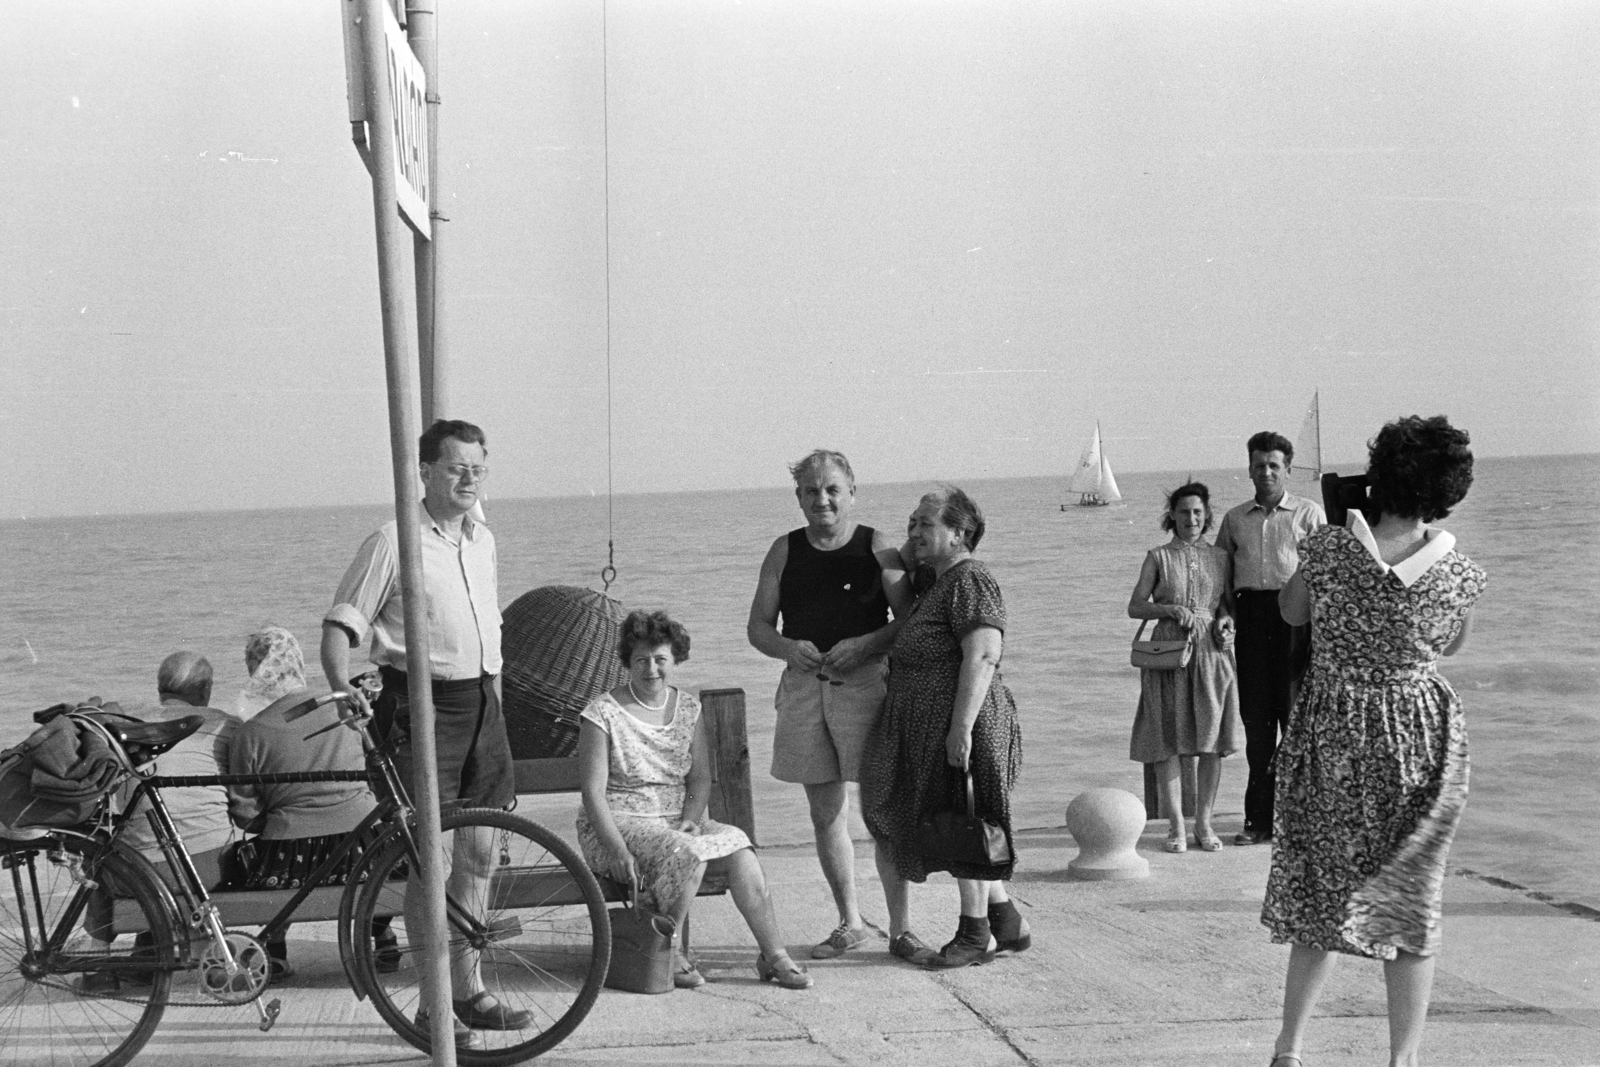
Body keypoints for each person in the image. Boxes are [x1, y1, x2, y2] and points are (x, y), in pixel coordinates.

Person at [1262, 415, 1485, 1067]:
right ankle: (1402, 1058)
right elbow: (1451, 643)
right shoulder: (1458, 570)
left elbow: (1291, 611)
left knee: (1321, 885)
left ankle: (1289, 1048)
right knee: (1414, 896)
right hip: (1419, 733)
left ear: (1378, 477)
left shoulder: (1330, 549)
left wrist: (1342, 535)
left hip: (1334, 727)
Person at [320, 418, 521, 1050]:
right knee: (427, 864)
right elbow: (338, 630)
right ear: (425, 471)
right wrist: (340, 685)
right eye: (456, 466)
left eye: (478, 468)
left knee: (481, 854)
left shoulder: (483, 539)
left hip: (485, 702)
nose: (468, 478)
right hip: (421, 708)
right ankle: (436, 1008)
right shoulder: (392, 540)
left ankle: (471, 991)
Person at [578, 610, 812, 990]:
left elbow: (700, 777)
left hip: (674, 822)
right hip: (615, 826)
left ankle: (774, 955)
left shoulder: (688, 709)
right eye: (641, 660)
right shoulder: (602, 712)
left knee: (739, 846)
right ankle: (666, 949)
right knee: (687, 851)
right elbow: (591, 792)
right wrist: (617, 849)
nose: (651, 669)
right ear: (627, 663)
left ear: (675, 660)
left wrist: (691, 816)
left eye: (660, 659)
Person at [746, 449, 910, 960]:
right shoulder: (784, 550)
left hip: (865, 688)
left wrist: (866, 643)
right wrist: (786, 648)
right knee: (825, 813)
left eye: (832, 489)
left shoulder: (878, 548)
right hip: (803, 688)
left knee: (882, 812)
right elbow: (757, 628)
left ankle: (902, 931)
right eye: (812, 491)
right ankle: (851, 922)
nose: (823, 499)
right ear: (798, 498)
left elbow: (910, 621)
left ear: (852, 491)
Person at [860, 487, 1026, 969]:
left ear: (960, 533)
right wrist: (910, 548)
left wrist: (961, 728)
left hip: (964, 719)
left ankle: (974, 935)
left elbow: (983, 654)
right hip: (935, 722)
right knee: (956, 817)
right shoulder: (937, 581)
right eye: (910, 522)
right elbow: (891, 558)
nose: (914, 532)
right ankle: (1008, 923)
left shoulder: (969, 579)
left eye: (925, 524)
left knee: (967, 821)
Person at [224, 627, 394, 981]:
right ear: (299, 663)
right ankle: (382, 934)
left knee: (258, 855)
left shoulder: (249, 734)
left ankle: (276, 949)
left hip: (289, 861)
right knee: (382, 849)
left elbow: (245, 815)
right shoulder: (345, 709)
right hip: (365, 846)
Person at [82, 651, 237, 992]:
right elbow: (243, 802)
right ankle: (182, 952)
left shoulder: (129, 723)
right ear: (206, 689)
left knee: (103, 852)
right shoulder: (226, 725)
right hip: (213, 868)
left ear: (159, 689)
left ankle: (99, 967)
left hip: (142, 877)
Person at [1214, 431, 1325, 845]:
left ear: (1288, 470)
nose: (1266, 471)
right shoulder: (1234, 519)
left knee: (1296, 722)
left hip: (1297, 623)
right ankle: (1258, 820)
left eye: (1274, 465)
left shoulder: (1309, 514)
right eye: (1259, 465)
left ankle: (1298, 822)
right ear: (1249, 469)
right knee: (1257, 726)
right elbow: (1221, 579)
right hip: (1252, 622)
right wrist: (1224, 616)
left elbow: (1325, 576)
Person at [1127, 482, 1241, 852]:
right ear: (1171, 516)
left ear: (1207, 515)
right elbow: (1135, 606)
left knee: (1211, 741)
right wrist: (1170, 609)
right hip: (1168, 652)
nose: (1191, 519)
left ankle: (1204, 824)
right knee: (1168, 741)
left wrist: (1225, 620)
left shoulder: (1221, 557)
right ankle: (1176, 825)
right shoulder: (1158, 556)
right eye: (1183, 512)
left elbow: (1226, 605)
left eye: (1197, 512)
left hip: (1211, 651)